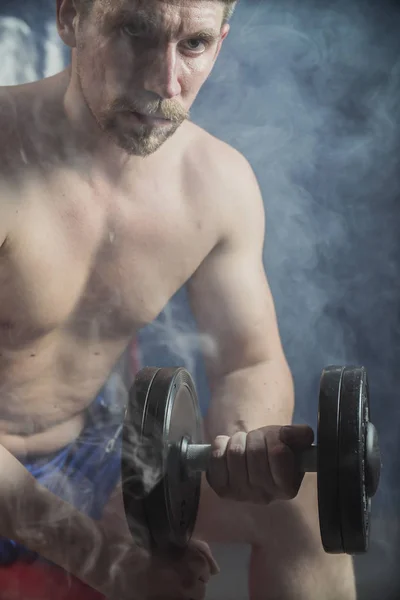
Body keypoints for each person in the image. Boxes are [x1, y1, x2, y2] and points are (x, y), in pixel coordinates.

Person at [0, 0, 356, 598]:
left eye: (193, 45)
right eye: (135, 33)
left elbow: (250, 360)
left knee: (303, 506)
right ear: (71, 20)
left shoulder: (216, 182)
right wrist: (105, 558)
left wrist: (244, 443)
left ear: (220, 39)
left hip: (84, 453)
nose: (166, 82)